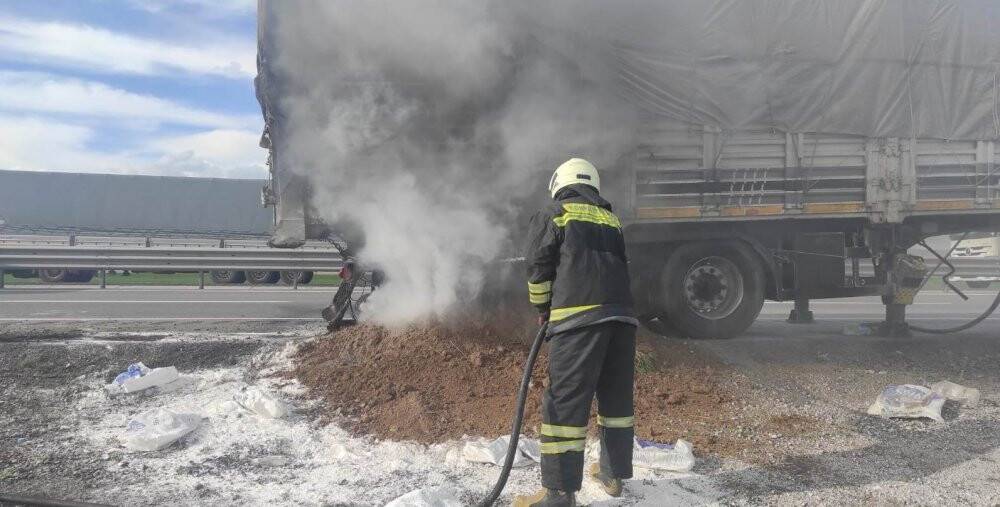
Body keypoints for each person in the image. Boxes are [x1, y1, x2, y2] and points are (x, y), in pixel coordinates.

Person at [514, 158, 638, 507]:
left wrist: (542, 309)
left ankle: (558, 494)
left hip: (578, 322)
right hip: (622, 321)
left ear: (560, 183)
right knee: (615, 402)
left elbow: (538, 267)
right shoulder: (611, 219)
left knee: (565, 406)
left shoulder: (556, 213)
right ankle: (613, 475)